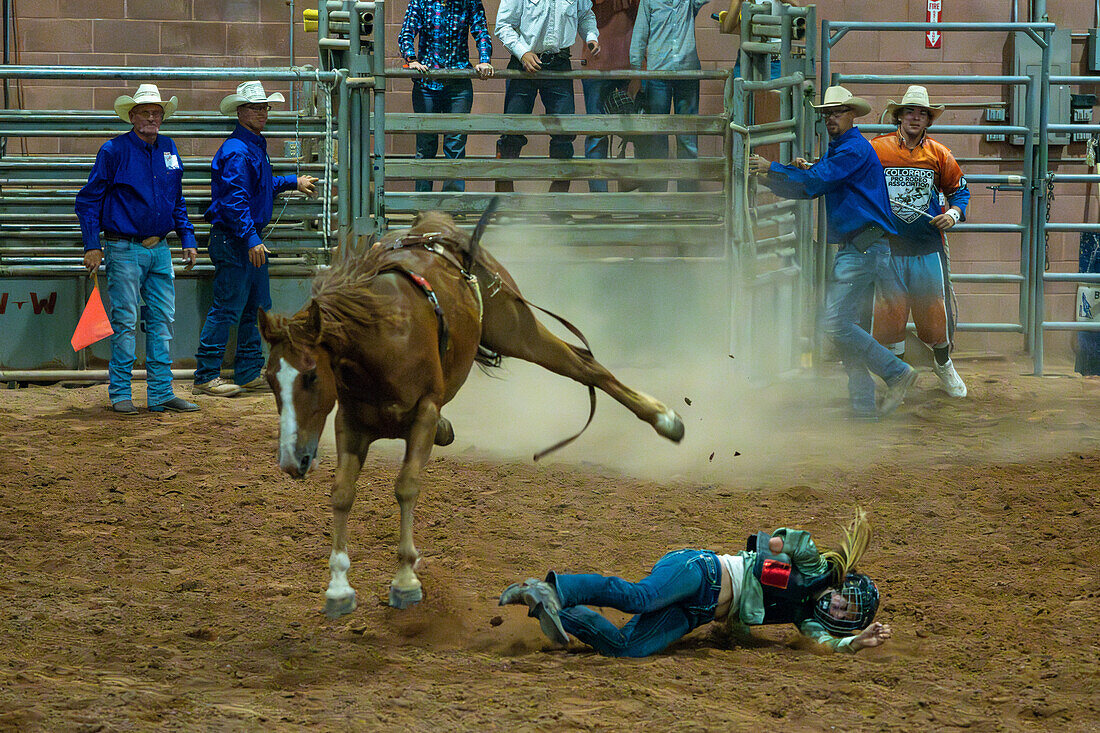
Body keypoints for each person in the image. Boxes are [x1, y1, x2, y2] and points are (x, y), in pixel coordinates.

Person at [500, 509, 891, 657]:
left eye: (846, 615)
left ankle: (548, 606)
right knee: (641, 597)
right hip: (703, 571)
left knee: (627, 648)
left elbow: (825, 642)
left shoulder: (806, 617)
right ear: (841, 588)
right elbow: (792, 540)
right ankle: (556, 587)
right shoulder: (814, 567)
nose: (838, 609)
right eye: (845, 601)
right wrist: (777, 545)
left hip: (698, 612)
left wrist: (854, 642)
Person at [748, 85, 915, 419]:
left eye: (837, 112)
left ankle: (896, 371)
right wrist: (774, 175)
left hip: (862, 248)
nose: (831, 118)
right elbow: (814, 180)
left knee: (834, 323)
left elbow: (815, 182)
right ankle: (863, 409)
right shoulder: (844, 149)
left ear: (851, 114)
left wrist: (772, 169)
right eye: (827, 113)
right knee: (847, 326)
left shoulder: (851, 149)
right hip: (864, 246)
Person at [75, 83, 199, 415]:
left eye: (156, 112)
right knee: (127, 321)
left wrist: (187, 237)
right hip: (124, 247)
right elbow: (89, 201)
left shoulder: (168, 148)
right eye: (145, 112)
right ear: (132, 116)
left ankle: (159, 393)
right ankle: (121, 392)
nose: (151, 117)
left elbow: (177, 199)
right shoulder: (113, 151)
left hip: (158, 247)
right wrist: (92, 245)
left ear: (162, 117)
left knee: (161, 321)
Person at [192, 82, 318, 398]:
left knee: (254, 306)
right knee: (230, 307)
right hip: (238, 240)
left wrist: (292, 181)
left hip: (244, 239)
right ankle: (206, 375)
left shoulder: (248, 147)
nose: (262, 113)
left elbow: (258, 186)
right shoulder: (239, 151)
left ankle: (247, 371)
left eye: (264, 108)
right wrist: (250, 238)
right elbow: (235, 200)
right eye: (255, 108)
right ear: (241, 111)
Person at [870, 85, 970, 398]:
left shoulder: (940, 154)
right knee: (890, 316)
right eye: (910, 111)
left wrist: (953, 214)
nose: (916, 117)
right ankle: (897, 378)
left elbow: (960, 191)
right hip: (888, 246)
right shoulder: (877, 149)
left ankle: (943, 364)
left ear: (928, 120)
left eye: (922, 113)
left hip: (927, 246)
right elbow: (848, 172)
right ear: (898, 115)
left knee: (933, 318)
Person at [494, 0, 600, 193]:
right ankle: (504, 202)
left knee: (564, 133)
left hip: (559, 64)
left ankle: (557, 201)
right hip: (523, 64)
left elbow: (586, 15)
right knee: (511, 132)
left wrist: (591, 36)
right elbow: (503, 25)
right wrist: (522, 52)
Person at [398, 0, 495, 193]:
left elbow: (482, 31)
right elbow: (406, 32)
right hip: (427, 83)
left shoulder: (470, 1)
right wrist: (412, 59)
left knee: (455, 146)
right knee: (425, 146)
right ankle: (423, 205)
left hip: (458, 84)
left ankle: (453, 205)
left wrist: (484, 60)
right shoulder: (422, 1)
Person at [630, 0, 709, 192]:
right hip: (658, 75)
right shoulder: (649, 2)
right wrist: (636, 72)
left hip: (686, 74)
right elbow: (640, 34)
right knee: (657, 137)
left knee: (687, 137)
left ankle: (687, 200)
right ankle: (656, 200)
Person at [581, 0, 639, 192]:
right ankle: (600, 204)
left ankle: (642, 202)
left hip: (630, 64)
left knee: (639, 132)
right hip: (596, 65)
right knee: (597, 135)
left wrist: (641, 67)